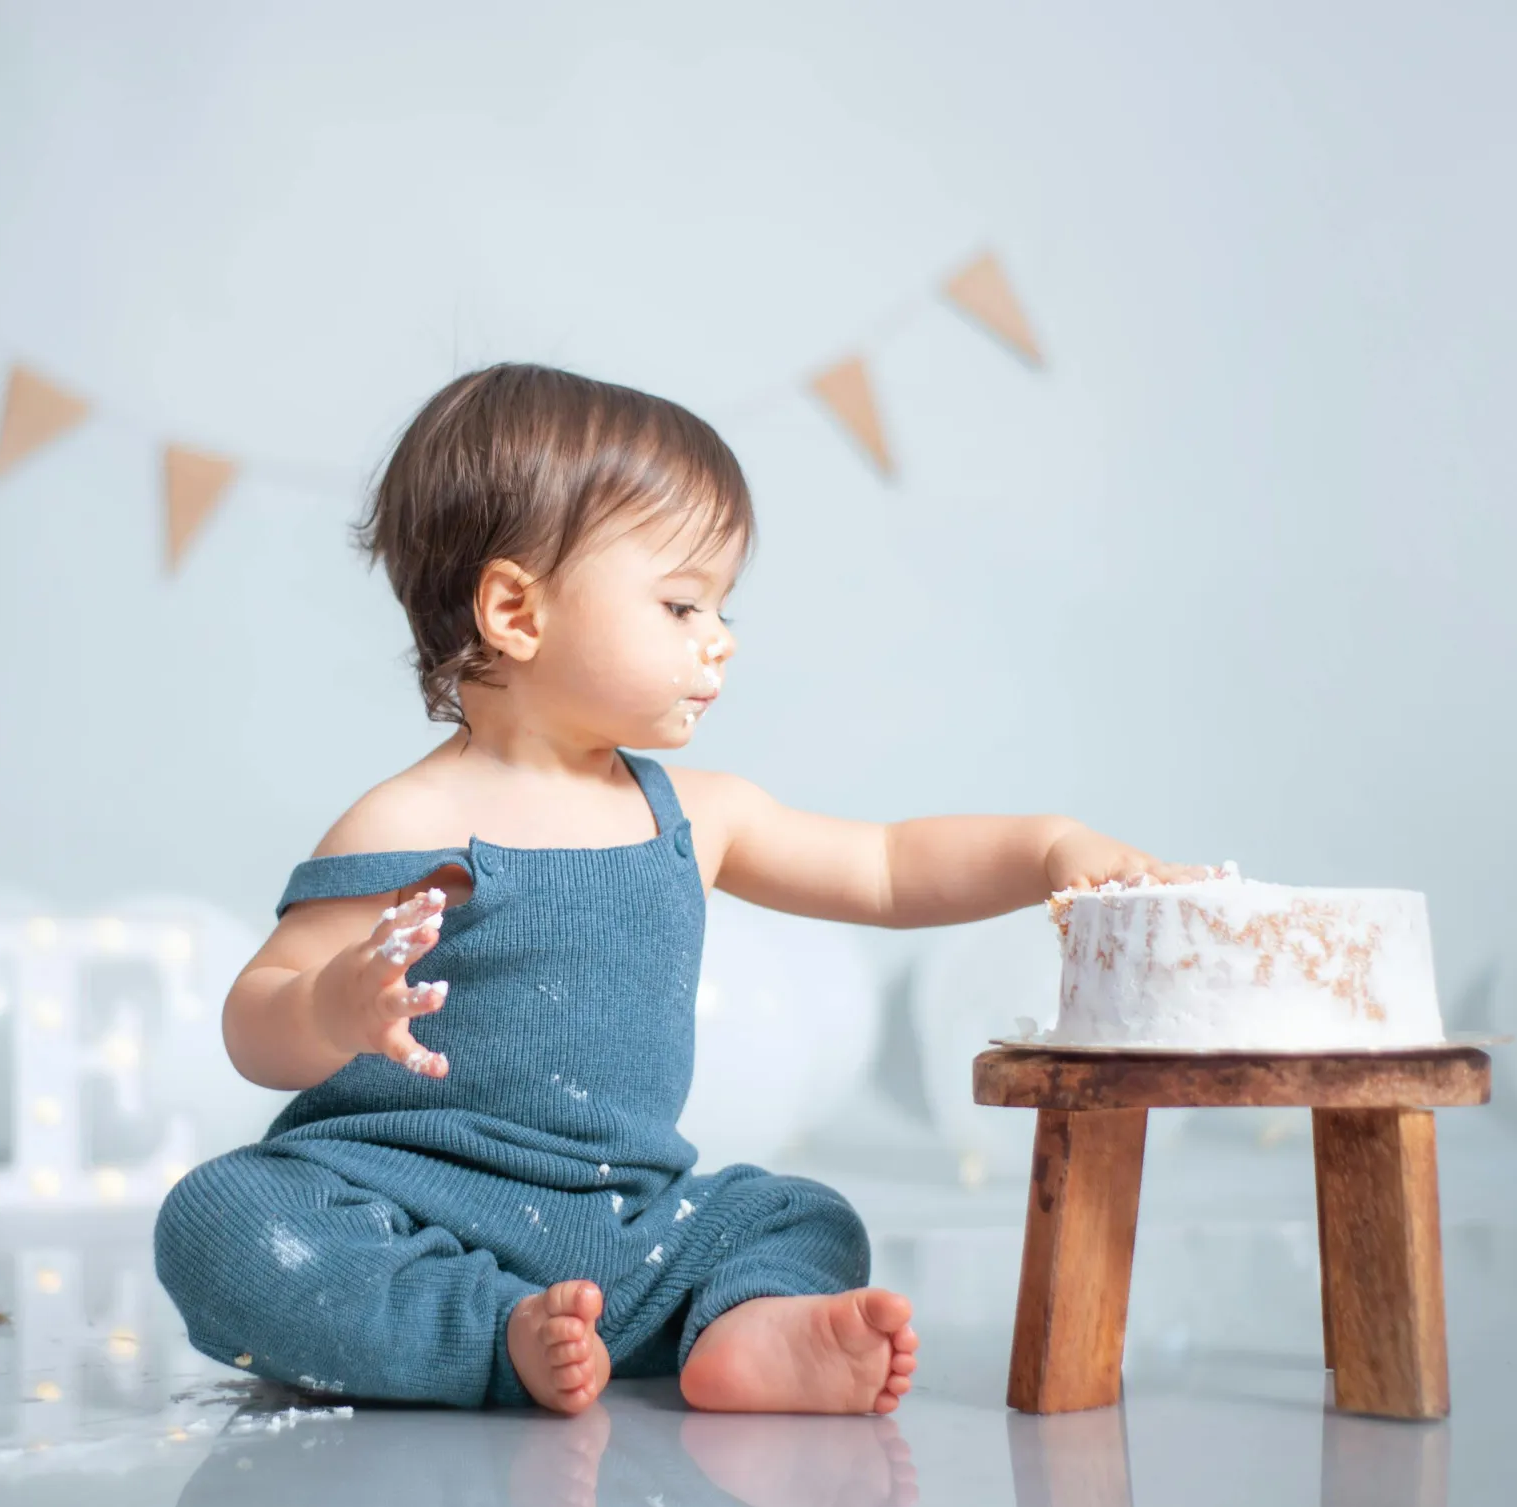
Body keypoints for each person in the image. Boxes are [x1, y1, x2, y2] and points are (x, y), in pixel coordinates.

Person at [155, 364, 1209, 1415]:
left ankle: (743, 1331)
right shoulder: (406, 823)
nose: (720, 638)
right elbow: (255, 1022)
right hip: (400, 1207)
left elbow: (886, 866)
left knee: (804, 1217)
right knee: (218, 1218)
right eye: (680, 602)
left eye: (721, 605)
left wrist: (1046, 848)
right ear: (516, 609)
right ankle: (484, 1332)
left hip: (624, 1225)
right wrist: (330, 1003)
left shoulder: (692, 815)